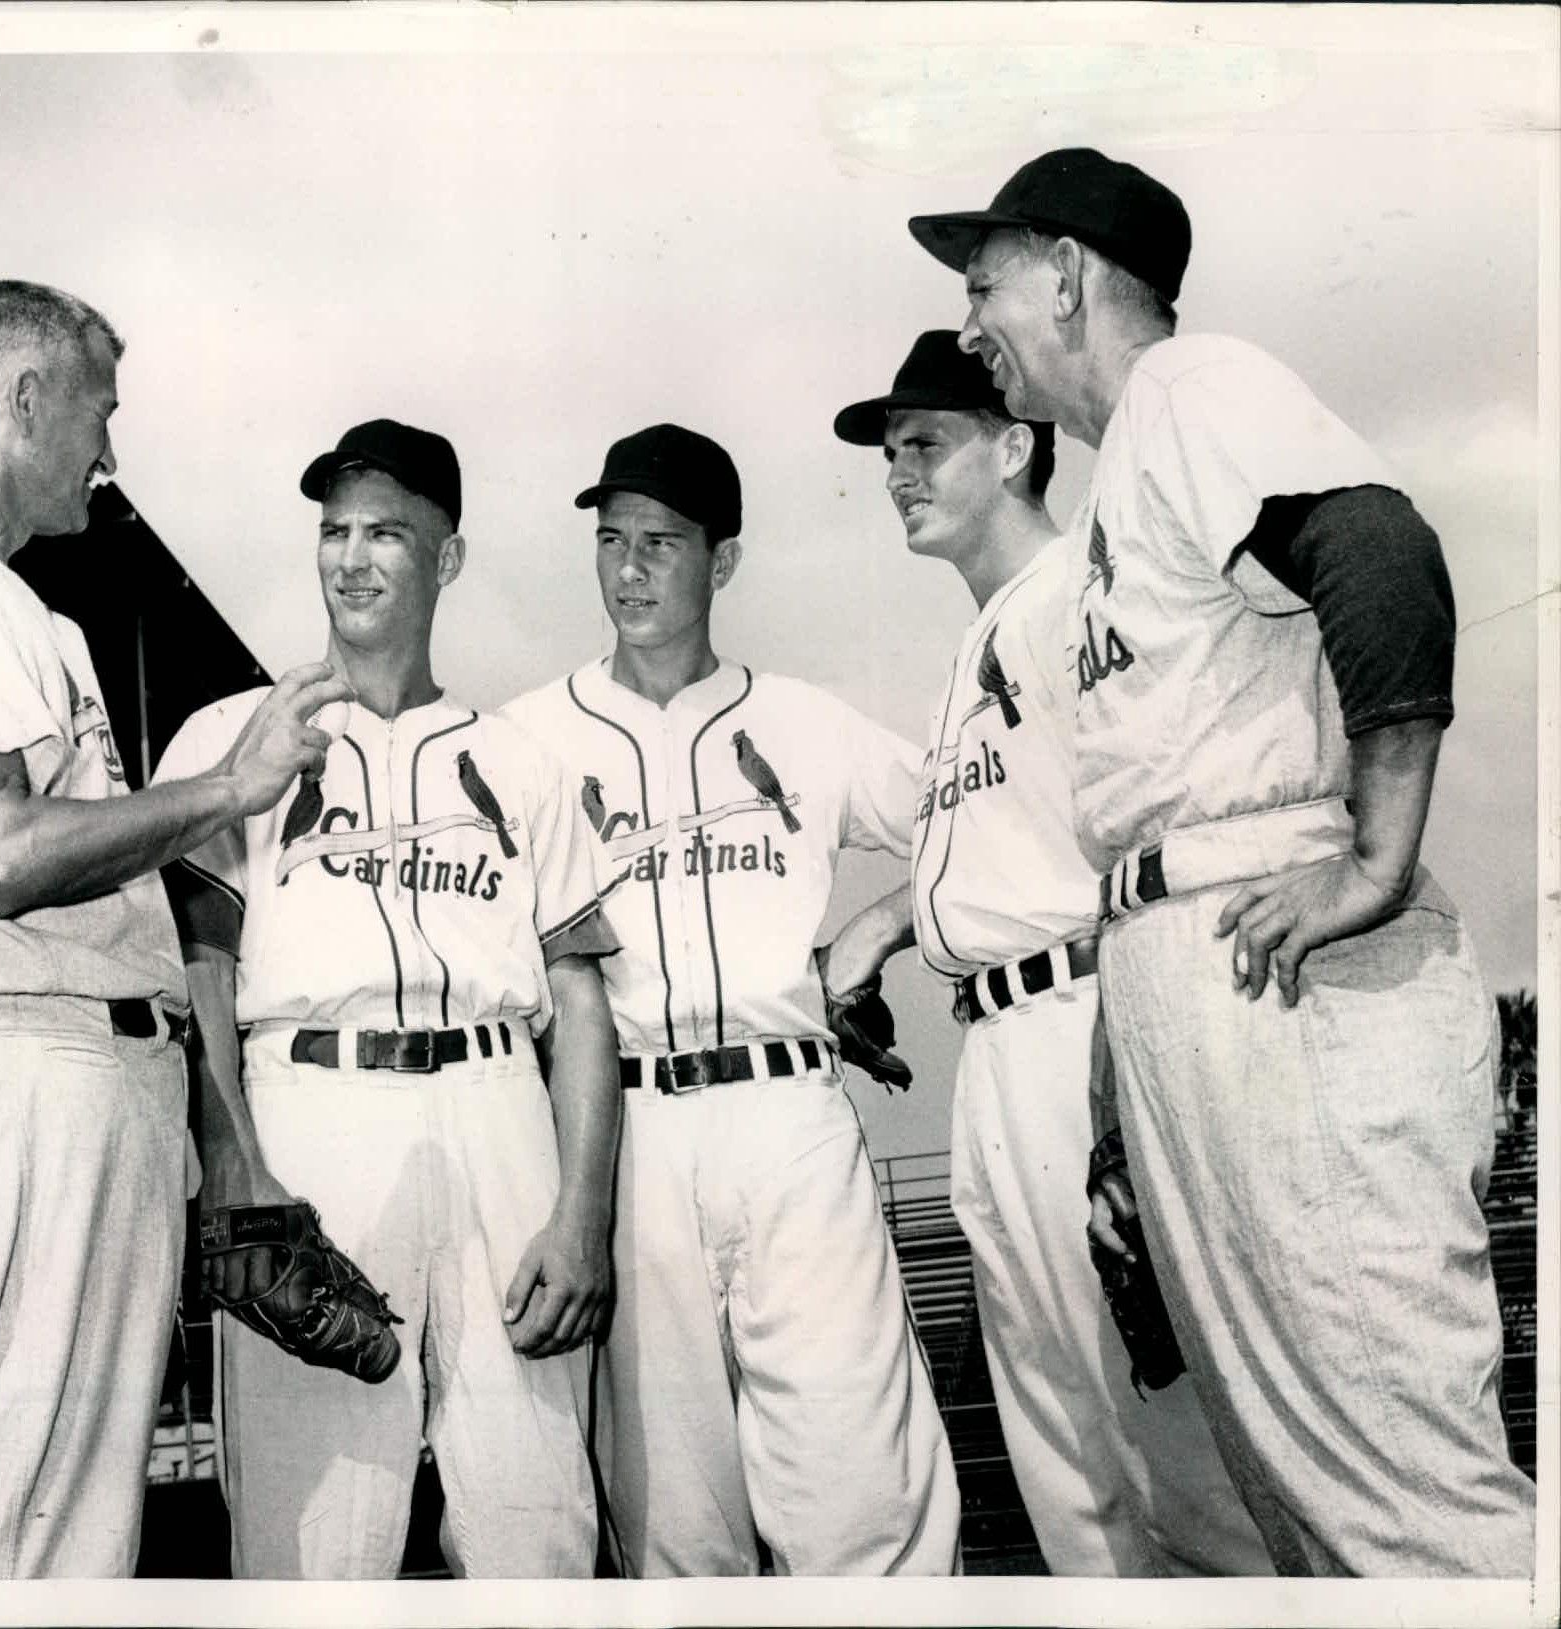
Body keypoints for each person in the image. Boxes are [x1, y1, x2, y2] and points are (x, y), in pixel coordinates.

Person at [908, 146, 1537, 1576]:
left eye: (986, 282)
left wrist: (1378, 856)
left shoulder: (1198, 390)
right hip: (1193, 970)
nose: (970, 322)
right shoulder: (1135, 465)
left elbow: (1381, 555)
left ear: (1068, 274)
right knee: (1307, 1501)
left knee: (1398, 1489)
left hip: (1290, 951)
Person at [0, 280, 349, 1578]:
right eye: (100, 413)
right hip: (13, 1077)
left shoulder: (9, 608)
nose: (109, 455)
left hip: (74, 1076)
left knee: (68, 1545)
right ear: (28, 397)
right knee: (12, 1545)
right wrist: (227, 788)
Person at [825, 332, 1270, 1576]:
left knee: (1173, 1455)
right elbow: (1002, 849)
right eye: (887, 453)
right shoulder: (973, 647)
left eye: (925, 444)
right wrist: (877, 924)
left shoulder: (1086, 590)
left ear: (1014, 446)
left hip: (1091, 1031)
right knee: (1065, 1466)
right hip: (997, 1052)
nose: (896, 473)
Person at [152, 419, 623, 1579]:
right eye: (334, 531)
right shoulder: (236, 737)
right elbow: (199, 967)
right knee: (312, 1548)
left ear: (446, 559)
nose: (350, 559)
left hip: (493, 1108)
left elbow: (580, 1003)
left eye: (386, 535)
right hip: (316, 1116)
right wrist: (235, 1172)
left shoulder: (518, 762)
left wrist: (581, 1215)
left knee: (537, 1528)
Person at [501, 424, 961, 1577]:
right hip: (630, 1131)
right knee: (671, 1522)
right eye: (609, 541)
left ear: (725, 560)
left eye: (659, 542)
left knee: (859, 1492)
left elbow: (980, 822)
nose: (627, 570)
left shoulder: (803, 722)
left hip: (787, 1116)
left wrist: (878, 923)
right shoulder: (525, 739)